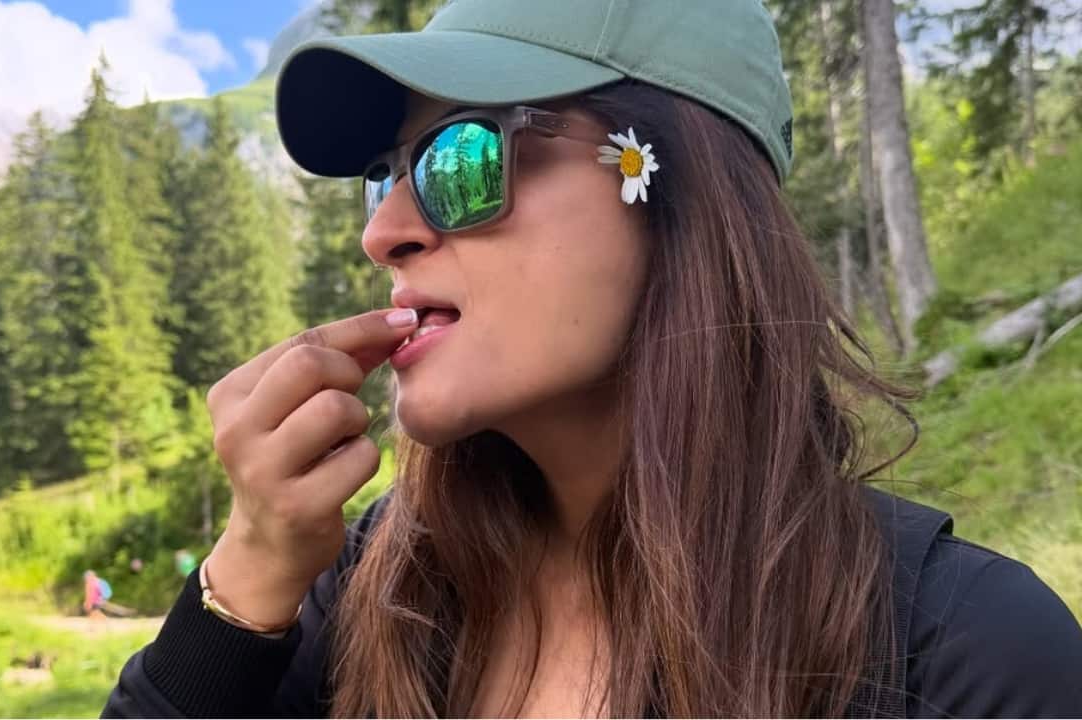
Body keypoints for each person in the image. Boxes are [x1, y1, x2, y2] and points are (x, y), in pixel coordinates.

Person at [103, 0, 1082, 716]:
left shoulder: (958, 653)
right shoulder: (366, 586)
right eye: (381, 181)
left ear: (671, 187)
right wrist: (247, 584)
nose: (386, 232)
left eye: (457, 158)